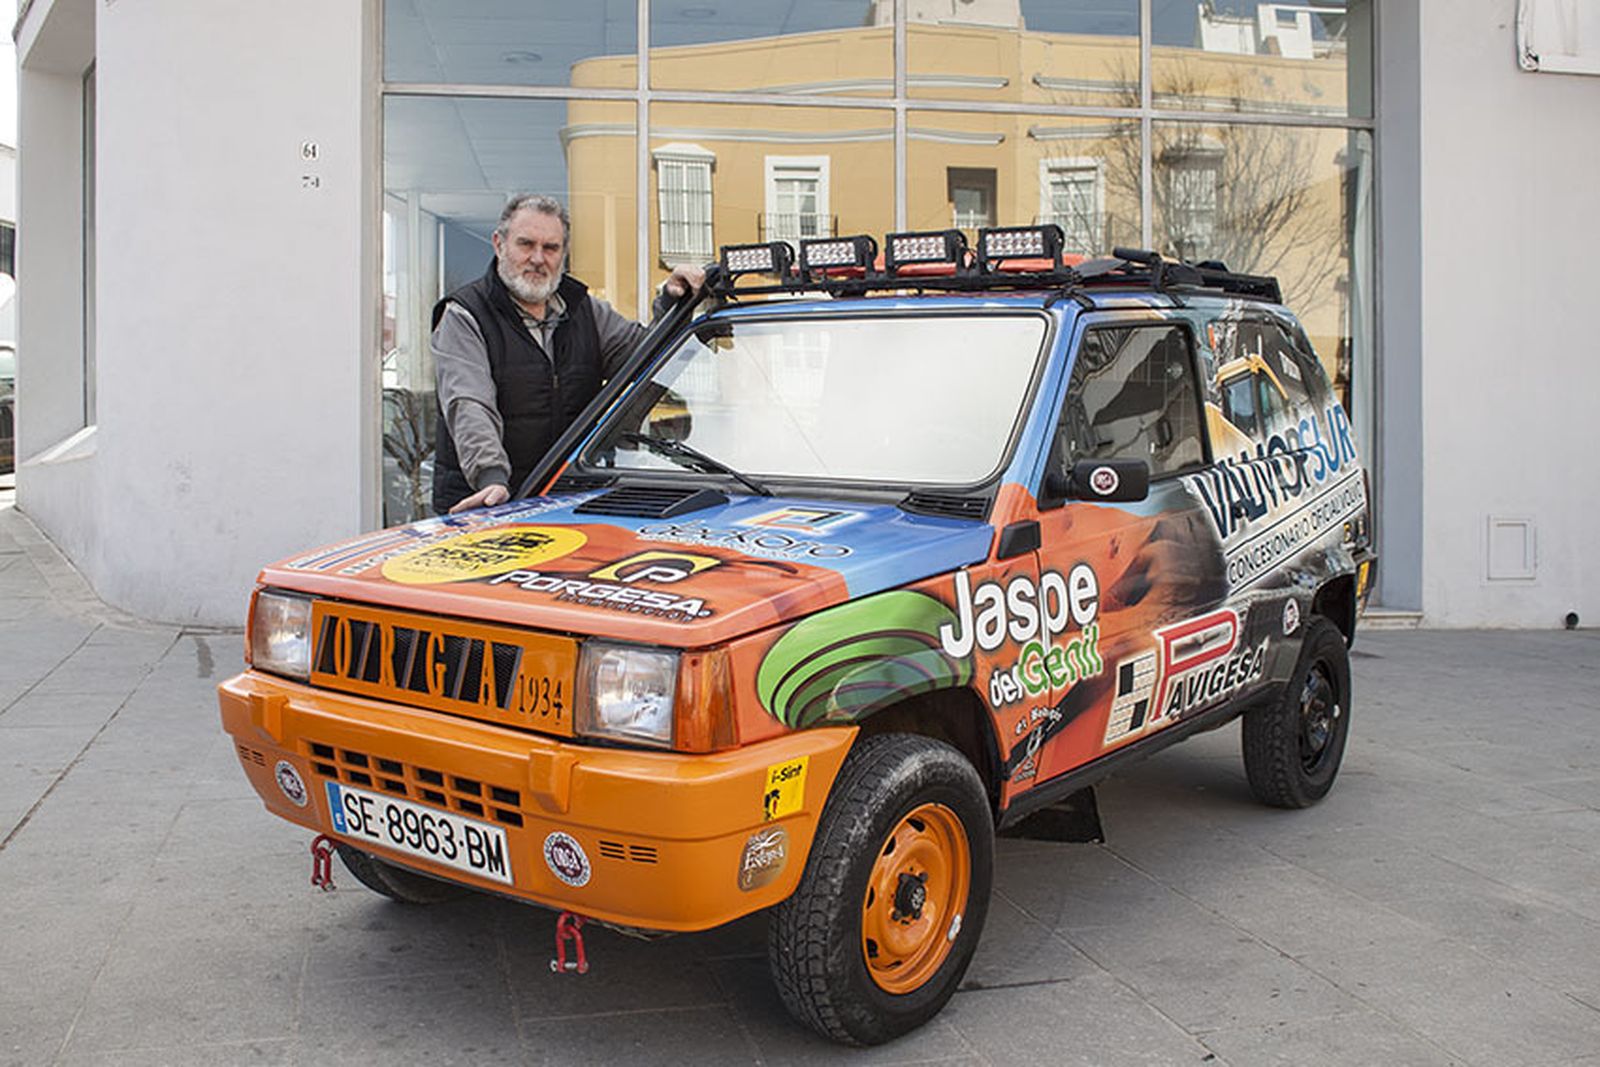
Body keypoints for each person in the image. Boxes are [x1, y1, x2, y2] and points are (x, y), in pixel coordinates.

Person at [431, 193, 705, 514]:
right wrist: (490, 477)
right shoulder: (465, 314)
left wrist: (674, 304)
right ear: (499, 244)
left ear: (563, 254)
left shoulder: (585, 310)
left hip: (564, 502)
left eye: (551, 248)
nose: (538, 258)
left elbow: (646, 360)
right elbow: (469, 404)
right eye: (526, 244)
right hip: (487, 503)